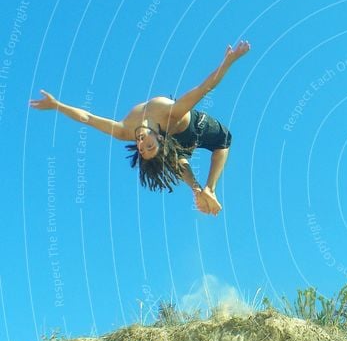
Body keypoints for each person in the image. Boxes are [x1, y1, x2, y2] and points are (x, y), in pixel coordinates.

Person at [29, 40, 250, 215]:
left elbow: (87, 118)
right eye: (149, 146)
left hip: (187, 133)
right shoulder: (170, 114)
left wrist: (57, 105)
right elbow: (205, 88)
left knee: (203, 149)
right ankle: (200, 190)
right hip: (192, 130)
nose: (141, 144)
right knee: (213, 144)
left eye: (141, 148)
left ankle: (207, 189)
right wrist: (228, 62)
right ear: (159, 139)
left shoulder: (125, 131)